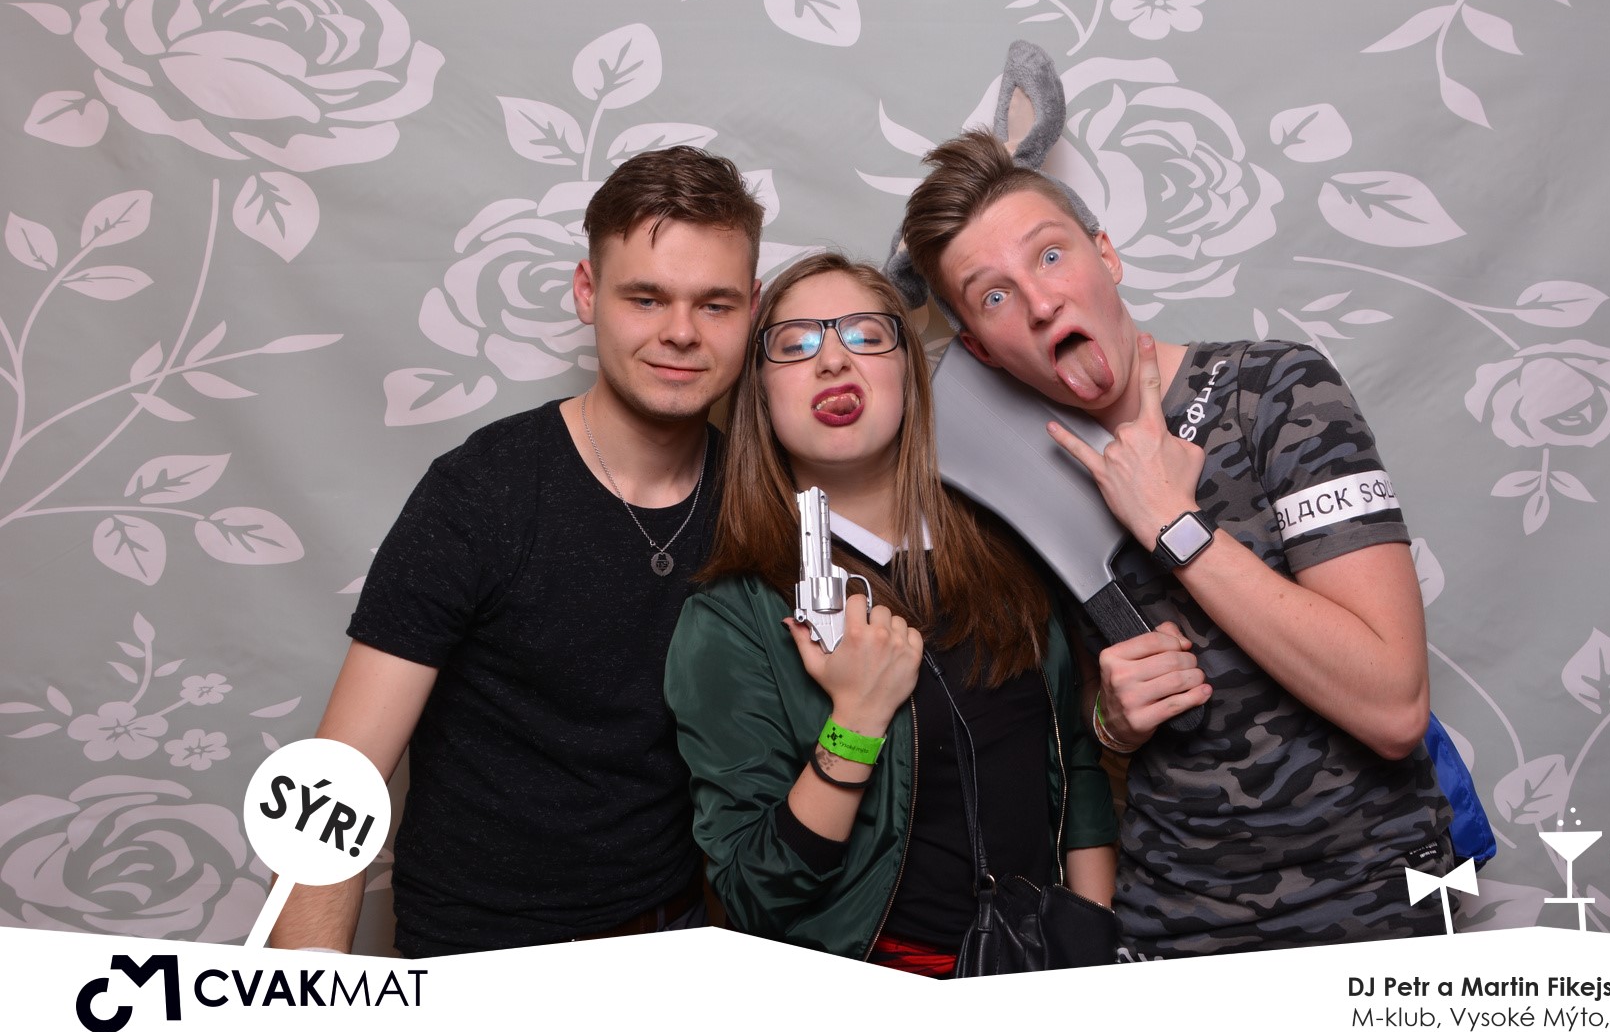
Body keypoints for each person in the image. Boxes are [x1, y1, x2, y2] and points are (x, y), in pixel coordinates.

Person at [899, 130, 1453, 957]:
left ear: (1106, 255)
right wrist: (1114, 722)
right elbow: (1083, 721)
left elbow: (1394, 706)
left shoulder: (1275, 393)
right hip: (1173, 921)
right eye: (996, 296)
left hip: (1375, 901)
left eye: (1050, 256)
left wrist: (1175, 526)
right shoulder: (1021, 489)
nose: (1041, 303)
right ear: (981, 349)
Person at [268, 145, 765, 957]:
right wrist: (312, 1008)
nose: (680, 332)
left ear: (752, 308)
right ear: (587, 292)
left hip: (672, 946)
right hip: (476, 960)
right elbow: (333, 787)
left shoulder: (760, 501)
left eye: (714, 304)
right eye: (645, 297)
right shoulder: (480, 493)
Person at [663, 252, 1116, 975]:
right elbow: (753, 895)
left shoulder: (1009, 547)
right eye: (795, 344)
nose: (832, 360)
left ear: (908, 369)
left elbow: (1075, 767)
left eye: (866, 335)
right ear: (760, 393)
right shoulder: (731, 618)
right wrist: (856, 721)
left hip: (1045, 964)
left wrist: (1089, 942)